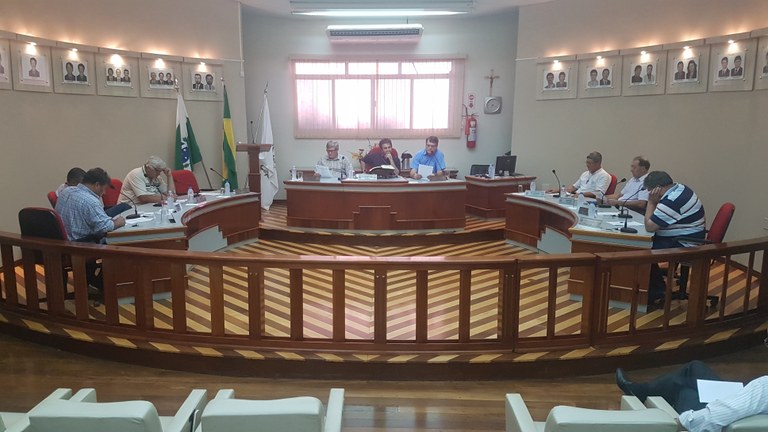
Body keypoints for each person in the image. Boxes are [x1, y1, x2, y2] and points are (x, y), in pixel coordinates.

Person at [616, 361, 768, 432]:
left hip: (727, 422)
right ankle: (644, 390)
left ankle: (643, 390)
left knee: (684, 389)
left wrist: (673, 423)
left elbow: (716, 416)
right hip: (747, 410)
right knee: (695, 368)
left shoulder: (764, 386)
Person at [643, 171, 706, 306]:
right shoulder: (680, 188)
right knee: (642, 245)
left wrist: (651, 202)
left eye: (649, 191)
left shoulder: (672, 201)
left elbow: (650, 226)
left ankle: (656, 291)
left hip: (685, 244)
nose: (649, 193)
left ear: (657, 188)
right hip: (688, 238)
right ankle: (658, 287)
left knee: (641, 249)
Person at [56, 168, 126, 242]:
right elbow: (104, 228)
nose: (104, 193)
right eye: (104, 188)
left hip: (63, 241)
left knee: (124, 206)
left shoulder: (65, 191)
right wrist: (117, 222)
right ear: (97, 185)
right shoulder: (91, 201)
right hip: (82, 243)